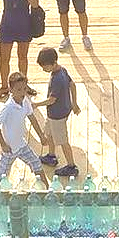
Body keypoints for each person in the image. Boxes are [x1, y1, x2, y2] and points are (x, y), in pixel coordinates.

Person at [0, 71, 54, 188]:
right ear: (11, 90)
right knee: (0, 176)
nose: (23, 92)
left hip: (22, 145)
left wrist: (41, 136)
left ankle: (47, 190)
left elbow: (32, 118)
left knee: (37, 165)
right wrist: (3, 144)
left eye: (24, 89)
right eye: (19, 90)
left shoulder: (25, 102)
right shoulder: (8, 107)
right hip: (9, 150)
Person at [32, 48, 81, 178]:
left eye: (44, 66)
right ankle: (51, 156)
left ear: (52, 63)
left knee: (63, 141)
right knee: (49, 134)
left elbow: (52, 100)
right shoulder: (62, 70)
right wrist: (74, 103)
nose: (43, 69)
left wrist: (36, 104)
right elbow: (73, 85)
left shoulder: (57, 79)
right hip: (60, 111)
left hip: (57, 115)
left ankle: (71, 166)